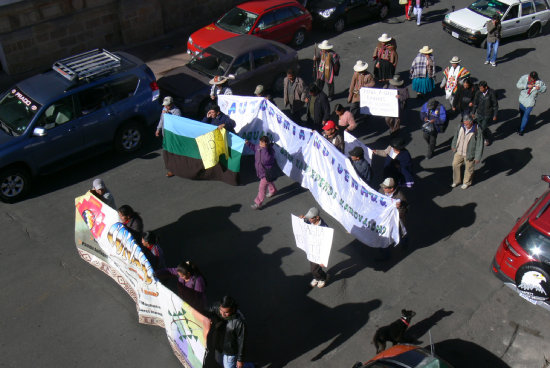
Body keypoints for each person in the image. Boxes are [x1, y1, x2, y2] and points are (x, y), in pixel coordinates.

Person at [208, 296, 246, 368]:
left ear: (233, 309)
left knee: (229, 366)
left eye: (226, 312)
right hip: (218, 346)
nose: (222, 314)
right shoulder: (216, 307)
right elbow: (209, 311)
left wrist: (240, 360)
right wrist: (208, 319)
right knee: (220, 363)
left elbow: (242, 342)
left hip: (230, 352)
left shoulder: (239, 322)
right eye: (221, 311)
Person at [451, 115, 484, 189]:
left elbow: (479, 144)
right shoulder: (460, 126)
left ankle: (466, 182)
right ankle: (456, 181)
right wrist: (453, 145)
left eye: (467, 124)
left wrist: (477, 157)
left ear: (471, 122)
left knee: (469, 169)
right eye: (464, 123)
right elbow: (455, 136)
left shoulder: (477, 130)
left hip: (469, 154)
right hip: (459, 151)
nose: (465, 125)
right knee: (455, 164)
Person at [299, 207, 329, 288]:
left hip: (319, 252)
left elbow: (326, 245)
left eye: (311, 218)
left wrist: (323, 259)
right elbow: (305, 223)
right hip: (311, 249)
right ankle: (317, 277)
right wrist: (302, 219)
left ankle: (323, 278)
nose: (309, 219)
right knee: (313, 267)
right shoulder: (311, 221)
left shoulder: (324, 228)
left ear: (317, 217)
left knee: (313, 269)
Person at [245, 136, 277, 210]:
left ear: (266, 143)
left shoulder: (269, 151)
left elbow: (267, 160)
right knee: (269, 181)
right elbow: (253, 147)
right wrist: (248, 143)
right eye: (260, 142)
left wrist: (264, 149)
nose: (260, 143)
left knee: (262, 188)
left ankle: (258, 203)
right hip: (261, 172)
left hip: (265, 173)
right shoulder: (258, 147)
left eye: (262, 142)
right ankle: (273, 190)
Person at [156, 96, 182, 177]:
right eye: (165, 105)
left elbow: (177, 124)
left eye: (167, 105)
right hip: (166, 135)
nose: (165, 107)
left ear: (171, 104)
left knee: (172, 153)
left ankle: (173, 169)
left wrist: (168, 115)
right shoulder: (164, 110)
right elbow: (161, 120)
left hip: (173, 136)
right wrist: (158, 129)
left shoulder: (176, 111)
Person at [516, 71, 546, 136]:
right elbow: (518, 85)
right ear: (530, 76)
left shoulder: (539, 82)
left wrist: (540, 88)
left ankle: (521, 130)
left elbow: (544, 89)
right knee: (522, 114)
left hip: (530, 101)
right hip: (523, 99)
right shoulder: (524, 78)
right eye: (532, 78)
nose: (533, 79)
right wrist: (526, 86)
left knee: (526, 115)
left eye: (535, 78)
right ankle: (521, 124)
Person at [472, 81, 498, 146]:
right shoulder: (478, 93)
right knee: (480, 127)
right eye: (479, 88)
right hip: (480, 113)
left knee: (483, 127)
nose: (480, 90)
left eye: (481, 88)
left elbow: (495, 105)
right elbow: (475, 103)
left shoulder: (491, 93)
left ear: (486, 87)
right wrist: (473, 112)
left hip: (487, 114)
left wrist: (495, 115)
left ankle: (485, 138)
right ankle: (482, 135)